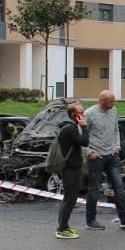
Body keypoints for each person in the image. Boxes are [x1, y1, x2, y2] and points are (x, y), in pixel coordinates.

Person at [85, 90, 125, 230]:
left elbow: (116, 130)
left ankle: (124, 218)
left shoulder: (114, 111)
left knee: (119, 188)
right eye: (111, 101)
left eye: (113, 101)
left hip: (112, 155)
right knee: (94, 189)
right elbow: (82, 136)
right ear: (102, 101)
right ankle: (91, 220)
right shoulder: (89, 113)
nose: (113, 104)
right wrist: (89, 152)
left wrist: (117, 146)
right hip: (97, 157)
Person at [55, 103, 89, 240]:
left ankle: (64, 226)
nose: (84, 116)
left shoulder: (69, 127)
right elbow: (85, 142)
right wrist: (84, 127)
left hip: (73, 168)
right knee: (69, 199)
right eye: (82, 113)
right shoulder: (70, 129)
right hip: (70, 169)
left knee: (70, 198)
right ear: (75, 116)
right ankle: (62, 229)